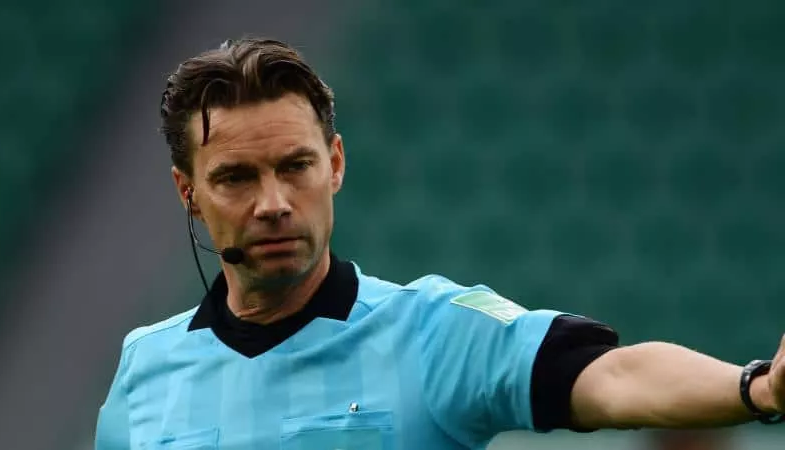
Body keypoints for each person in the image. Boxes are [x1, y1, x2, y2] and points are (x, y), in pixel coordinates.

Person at [94, 37, 784, 450]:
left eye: (295, 166)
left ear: (335, 164)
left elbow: (614, 375)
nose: (273, 203)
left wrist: (755, 387)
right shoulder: (143, 372)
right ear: (188, 192)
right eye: (237, 177)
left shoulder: (435, 332)